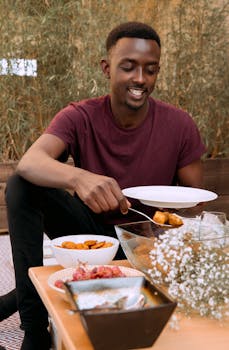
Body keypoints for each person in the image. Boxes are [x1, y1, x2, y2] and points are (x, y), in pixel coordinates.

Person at [1, 21, 206, 349]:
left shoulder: (179, 125)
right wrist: (78, 177)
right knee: (21, 186)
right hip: (94, 236)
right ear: (107, 68)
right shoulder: (80, 116)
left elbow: (196, 205)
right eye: (128, 67)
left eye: (150, 70)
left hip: (147, 243)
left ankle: (22, 295)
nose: (140, 79)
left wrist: (167, 232)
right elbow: (29, 162)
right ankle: (36, 329)